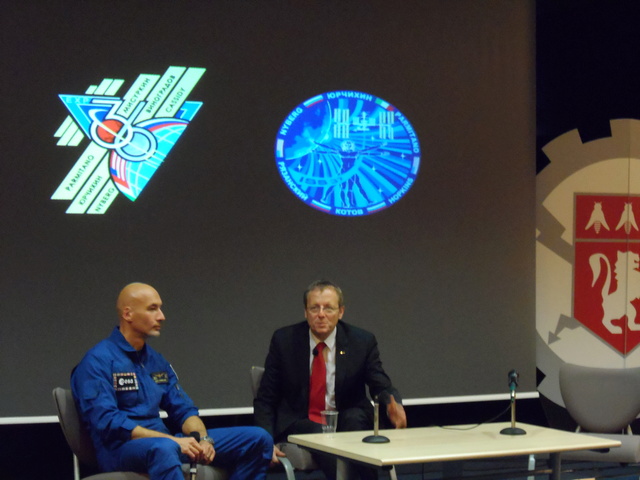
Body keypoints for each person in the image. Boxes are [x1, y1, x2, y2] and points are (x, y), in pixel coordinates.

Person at [71, 282, 273, 480]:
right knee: (165, 448)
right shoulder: (97, 361)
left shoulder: (155, 360)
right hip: (119, 450)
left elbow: (183, 409)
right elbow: (108, 422)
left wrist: (203, 439)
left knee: (257, 438)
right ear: (127, 314)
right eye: (152, 309)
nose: (162, 316)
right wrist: (173, 441)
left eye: (160, 308)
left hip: (163, 443)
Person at [254, 279, 407, 480]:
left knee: (355, 419)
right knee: (320, 433)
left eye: (328, 308)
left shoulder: (361, 341)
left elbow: (380, 384)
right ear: (305, 312)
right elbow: (266, 398)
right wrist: (265, 441)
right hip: (301, 420)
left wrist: (392, 403)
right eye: (314, 308)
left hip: (345, 417)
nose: (321, 314)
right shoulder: (284, 340)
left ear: (341, 312)